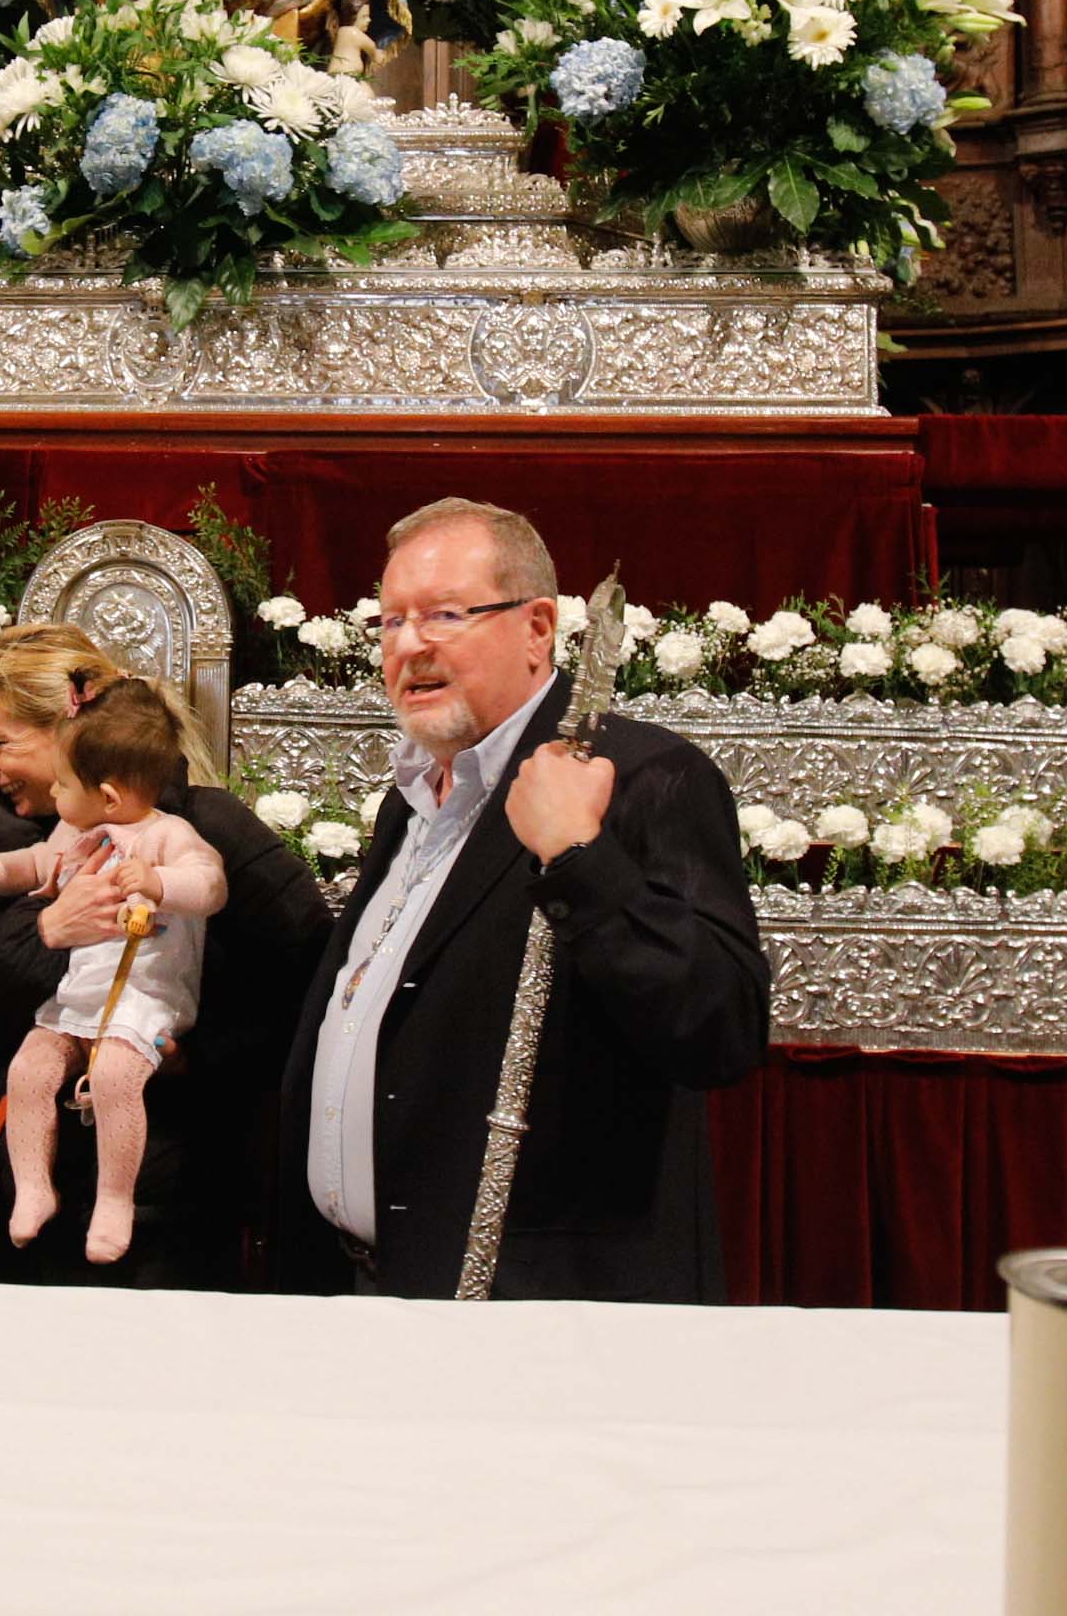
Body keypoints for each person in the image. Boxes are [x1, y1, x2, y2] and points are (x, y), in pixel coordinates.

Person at [280, 498, 768, 1300]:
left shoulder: (643, 777)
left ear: (537, 628)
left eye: (444, 614)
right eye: (391, 620)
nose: (410, 645)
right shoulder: (411, 798)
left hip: (539, 1306)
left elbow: (722, 1027)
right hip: (373, 1289)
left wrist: (579, 857)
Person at [0, 624, 327, 1289]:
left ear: (69, 735)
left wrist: (195, 1054)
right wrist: (42, 930)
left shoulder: (198, 829)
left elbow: (306, 976)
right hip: (12, 1217)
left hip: (166, 1221)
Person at [0, 682, 230, 1266]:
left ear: (106, 796)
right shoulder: (76, 834)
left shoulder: (167, 835)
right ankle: (33, 1185)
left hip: (144, 998)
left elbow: (210, 884)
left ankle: (114, 1199)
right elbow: (38, 863)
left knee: (112, 1080)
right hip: (80, 992)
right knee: (29, 1070)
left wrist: (159, 884)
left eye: (61, 784)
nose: (53, 792)